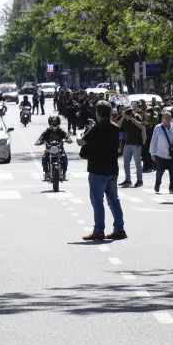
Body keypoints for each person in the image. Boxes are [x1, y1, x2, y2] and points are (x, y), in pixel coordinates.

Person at [79, 101, 125, 241]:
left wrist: (82, 134)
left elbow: (81, 142)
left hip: (97, 169)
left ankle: (99, 230)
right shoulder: (115, 127)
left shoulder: (96, 128)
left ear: (98, 114)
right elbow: (119, 144)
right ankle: (119, 229)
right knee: (114, 200)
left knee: (97, 201)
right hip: (112, 168)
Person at [34, 116, 73, 180]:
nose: (54, 124)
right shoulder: (47, 131)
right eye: (52, 122)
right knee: (44, 157)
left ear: (58, 122)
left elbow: (67, 137)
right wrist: (38, 141)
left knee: (64, 157)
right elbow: (41, 138)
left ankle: (64, 173)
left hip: (60, 149)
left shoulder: (61, 131)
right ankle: (46, 172)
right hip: (48, 150)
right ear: (49, 123)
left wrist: (69, 139)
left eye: (55, 122)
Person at [118, 107, 146, 187]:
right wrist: (123, 117)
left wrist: (132, 119)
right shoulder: (124, 119)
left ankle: (139, 180)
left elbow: (141, 126)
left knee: (137, 163)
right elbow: (118, 125)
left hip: (137, 143)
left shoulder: (137, 117)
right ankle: (128, 179)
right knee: (126, 162)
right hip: (128, 143)